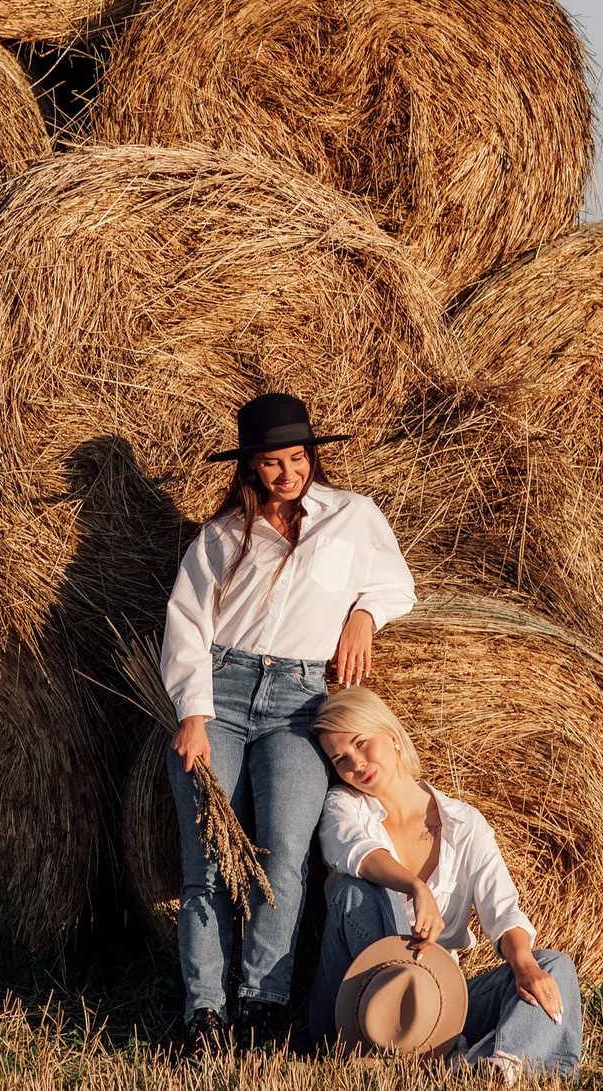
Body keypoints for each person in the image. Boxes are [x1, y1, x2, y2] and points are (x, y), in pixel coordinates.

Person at [160, 392, 416, 1056]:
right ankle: (205, 1013)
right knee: (209, 861)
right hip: (218, 687)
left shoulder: (352, 516)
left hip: (299, 699)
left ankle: (262, 1004)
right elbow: (185, 624)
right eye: (271, 462)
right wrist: (191, 712)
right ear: (249, 467)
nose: (287, 473)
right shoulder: (219, 537)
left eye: (297, 458)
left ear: (313, 457)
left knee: (285, 853)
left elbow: (396, 584)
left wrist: (363, 615)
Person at [309, 686, 582, 1079]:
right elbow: (358, 854)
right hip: (353, 1009)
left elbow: (503, 909)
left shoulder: (464, 824)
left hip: (437, 1005)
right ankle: (452, 1055)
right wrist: (416, 888)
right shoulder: (343, 806)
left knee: (553, 966)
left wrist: (523, 962)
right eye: (341, 759)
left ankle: (496, 1069)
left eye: (362, 743)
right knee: (357, 890)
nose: (356, 763)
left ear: (392, 735)